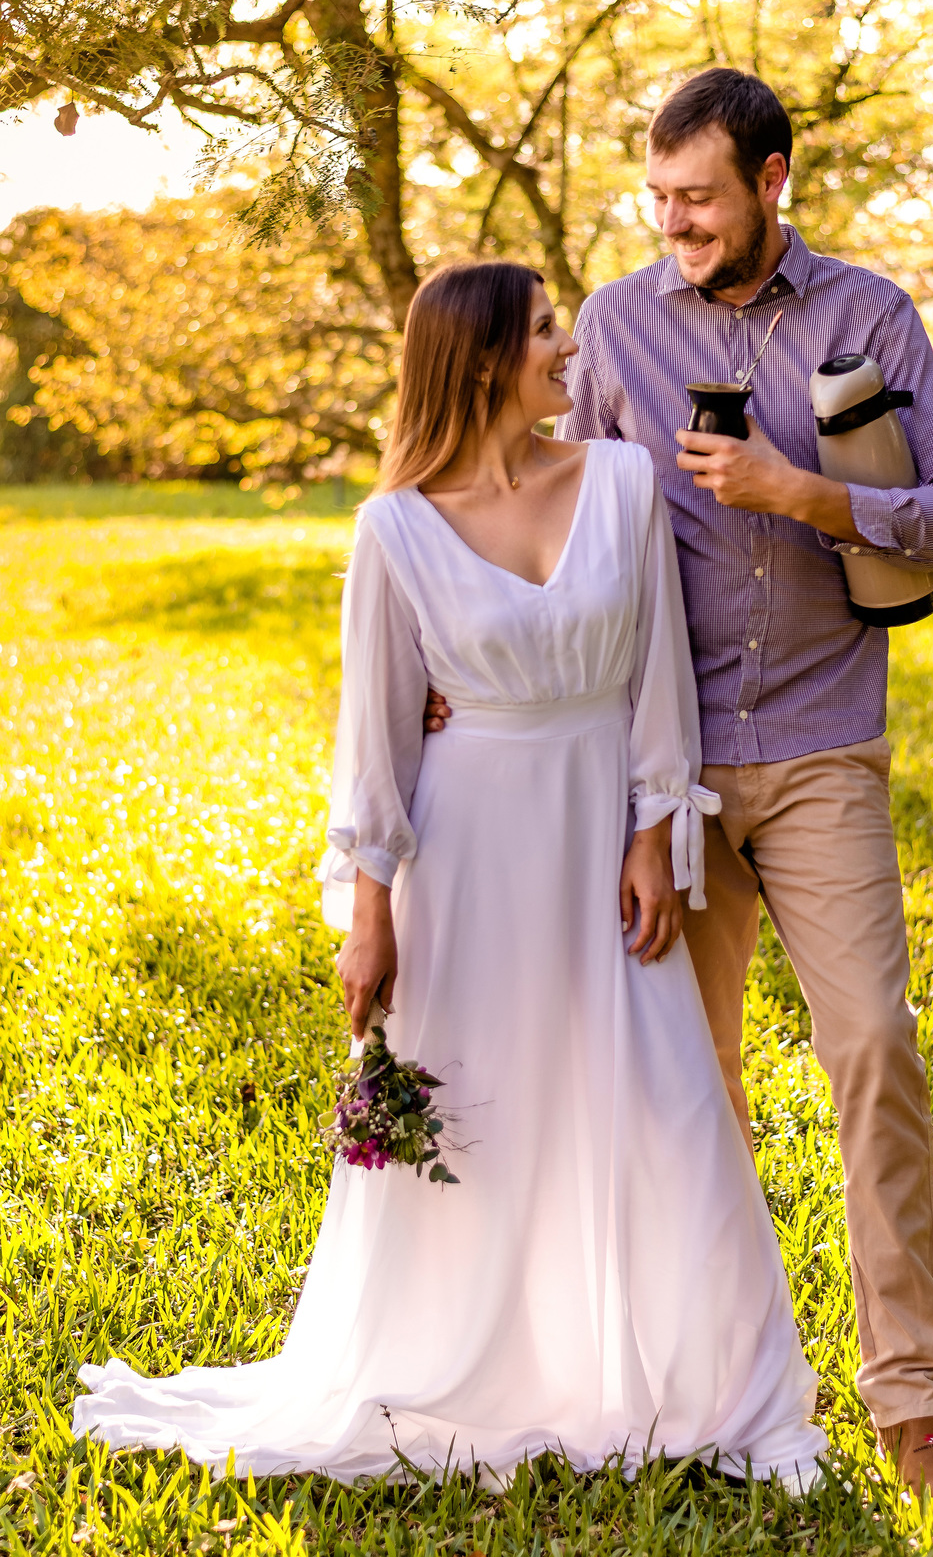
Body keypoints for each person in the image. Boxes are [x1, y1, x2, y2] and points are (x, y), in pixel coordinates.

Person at [73, 260, 826, 1492]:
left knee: (665, 1101)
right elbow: (372, 743)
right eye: (541, 330)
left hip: (600, 839)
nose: (567, 346)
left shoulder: (622, 479)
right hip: (466, 855)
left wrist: (651, 832)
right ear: (480, 360)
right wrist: (370, 919)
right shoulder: (395, 529)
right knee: (470, 1114)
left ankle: (718, 1388)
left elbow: (656, 677)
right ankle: (473, 1363)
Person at [546, 68, 933, 1502]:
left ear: (774, 180)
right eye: (659, 198)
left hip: (816, 747)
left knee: (870, 1044)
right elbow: (562, 527)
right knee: (691, 1083)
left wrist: (808, 498)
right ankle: (715, 1379)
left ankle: (913, 1396)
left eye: (700, 197)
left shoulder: (867, 317)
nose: (674, 222)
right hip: (665, 769)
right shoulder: (617, 325)